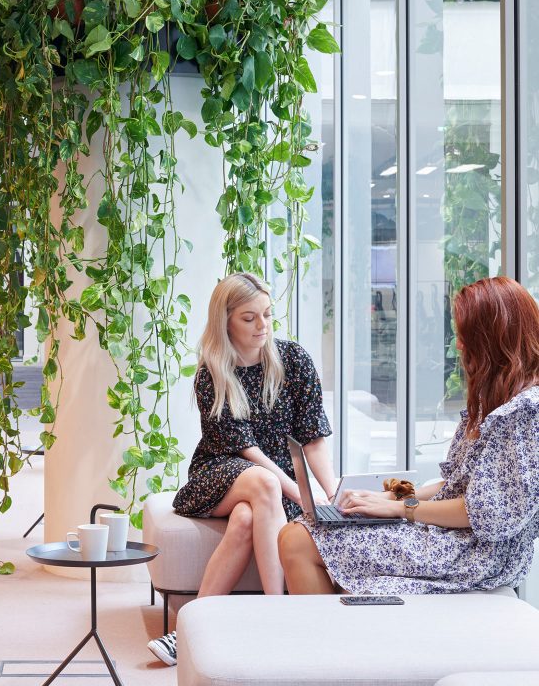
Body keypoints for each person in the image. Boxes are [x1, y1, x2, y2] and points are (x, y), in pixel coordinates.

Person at [278, 276, 539, 597]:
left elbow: (482, 513)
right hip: (452, 536)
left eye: (465, 335)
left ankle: (326, 645)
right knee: (311, 531)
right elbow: (455, 484)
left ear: (494, 339)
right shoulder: (493, 401)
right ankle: (336, 637)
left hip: (476, 553)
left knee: (297, 541)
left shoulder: (525, 413)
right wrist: (390, 498)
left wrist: (404, 508)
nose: (458, 345)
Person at [148, 272, 335, 665]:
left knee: (247, 519)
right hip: (220, 470)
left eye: (267, 315)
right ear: (226, 320)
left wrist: (330, 494)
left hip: (267, 480)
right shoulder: (211, 374)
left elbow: (313, 437)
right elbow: (247, 450)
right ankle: (276, 613)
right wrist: (300, 493)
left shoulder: (294, 360)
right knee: (264, 484)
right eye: (250, 318)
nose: (262, 325)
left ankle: (185, 633)